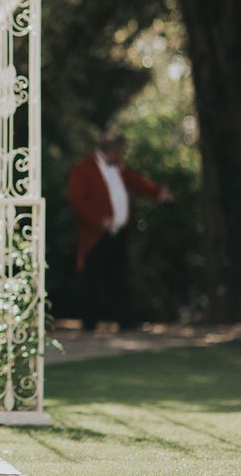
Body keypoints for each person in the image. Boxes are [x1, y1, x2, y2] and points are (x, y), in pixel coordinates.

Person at [68, 130, 173, 331]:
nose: (121, 155)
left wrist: (159, 193)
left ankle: (124, 320)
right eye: (120, 151)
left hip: (118, 231)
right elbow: (78, 201)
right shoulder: (84, 169)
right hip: (96, 234)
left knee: (119, 276)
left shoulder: (118, 168)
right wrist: (99, 221)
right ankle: (89, 322)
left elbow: (136, 182)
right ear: (111, 150)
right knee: (93, 277)